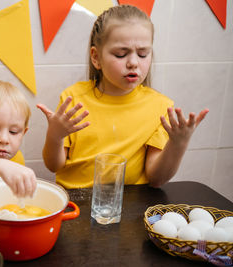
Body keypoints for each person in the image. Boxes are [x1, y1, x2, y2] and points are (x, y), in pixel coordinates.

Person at [37, 5, 208, 189]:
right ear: (96, 57)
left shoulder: (160, 107)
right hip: (77, 204)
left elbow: (156, 179)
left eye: (143, 54)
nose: (133, 63)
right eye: (121, 54)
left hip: (132, 204)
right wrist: (55, 136)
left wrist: (178, 144)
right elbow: (53, 165)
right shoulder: (74, 98)